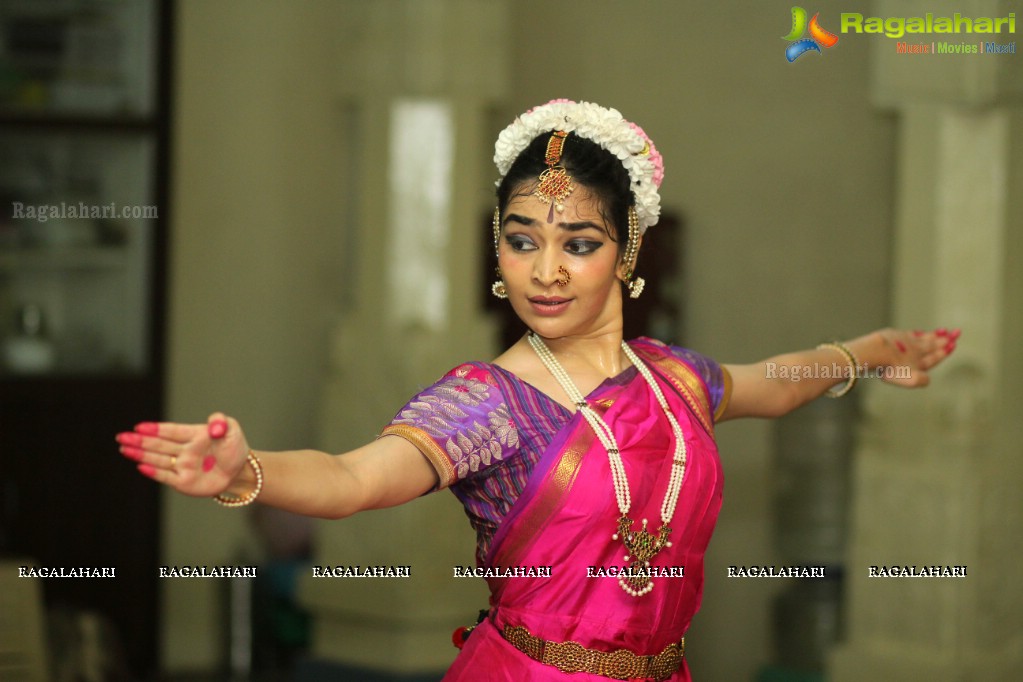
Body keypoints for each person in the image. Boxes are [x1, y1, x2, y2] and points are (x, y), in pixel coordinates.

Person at [116, 100, 957, 681]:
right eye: (522, 241)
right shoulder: (488, 400)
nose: (545, 271)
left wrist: (875, 351)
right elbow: (354, 479)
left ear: (625, 253)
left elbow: (773, 385)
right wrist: (244, 470)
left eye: (579, 243)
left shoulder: (673, 379)